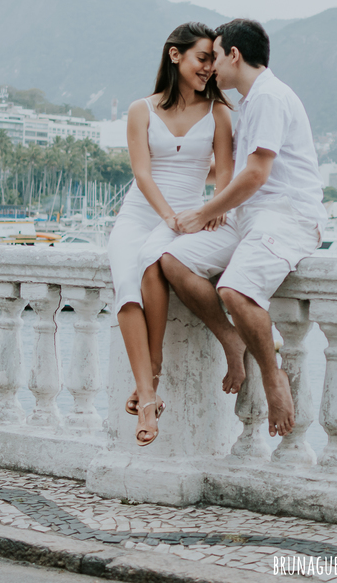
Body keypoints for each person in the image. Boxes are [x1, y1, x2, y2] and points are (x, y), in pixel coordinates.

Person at [158, 18, 327, 438]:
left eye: (215, 56)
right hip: (249, 215)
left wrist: (203, 213)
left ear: (234, 55)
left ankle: (272, 377)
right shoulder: (250, 103)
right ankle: (231, 339)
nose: (211, 66)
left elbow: (255, 175)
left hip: (287, 215)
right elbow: (229, 170)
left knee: (234, 290)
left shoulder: (269, 96)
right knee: (174, 260)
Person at [105, 22, 234, 446]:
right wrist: (168, 216)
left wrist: (212, 210)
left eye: (213, 60)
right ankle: (148, 396)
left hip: (187, 216)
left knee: (151, 267)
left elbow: (225, 174)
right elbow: (142, 173)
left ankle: (152, 374)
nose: (209, 67)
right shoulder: (141, 109)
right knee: (127, 287)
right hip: (141, 213)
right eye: (202, 58)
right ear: (175, 55)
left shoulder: (219, 113)